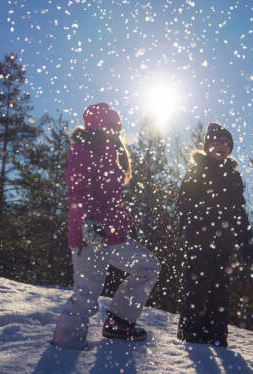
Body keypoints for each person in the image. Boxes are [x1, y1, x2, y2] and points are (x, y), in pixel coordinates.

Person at [52, 102, 161, 350]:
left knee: (148, 267)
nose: (115, 130)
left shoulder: (112, 151)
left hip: (113, 235)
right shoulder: (84, 150)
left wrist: (124, 223)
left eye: (118, 125)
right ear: (97, 126)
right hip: (89, 235)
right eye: (110, 125)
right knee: (87, 295)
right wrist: (88, 221)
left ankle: (119, 321)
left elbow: (112, 198)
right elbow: (78, 190)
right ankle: (66, 344)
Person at [176, 122, 253, 348]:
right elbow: (183, 204)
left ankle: (216, 336)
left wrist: (247, 242)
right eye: (216, 141)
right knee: (196, 288)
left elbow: (239, 213)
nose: (221, 146)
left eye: (225, 143)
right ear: (207, 147)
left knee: (220, 292)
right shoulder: (196, 171)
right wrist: (189, 226)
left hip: (224, 245)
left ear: (230, 149)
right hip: (200, 242)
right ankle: (191, 335)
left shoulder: (233, 177)